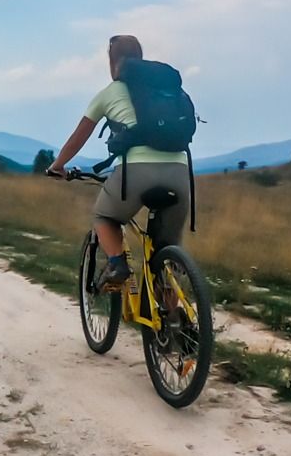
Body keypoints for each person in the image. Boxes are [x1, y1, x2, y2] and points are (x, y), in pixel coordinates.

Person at [46, 34, 192, 290]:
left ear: (113, 61)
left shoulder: (110, 92)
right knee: (166, 252)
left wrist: (57, 166)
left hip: (136, 174)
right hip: (180, 173)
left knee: (105, 217)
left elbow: (78, 137)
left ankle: (118, 265)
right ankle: (175, 318)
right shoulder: (167, 91)